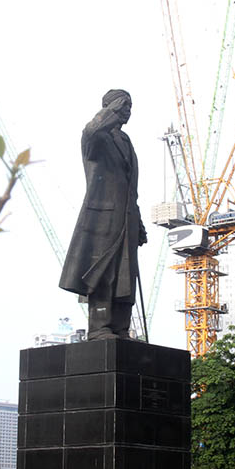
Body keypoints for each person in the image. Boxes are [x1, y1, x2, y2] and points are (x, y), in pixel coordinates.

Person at [58, 89, 148, 339]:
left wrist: (138, 222)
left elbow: (131, 187)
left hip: (126, 217)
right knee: (103, 270)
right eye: (123, 105)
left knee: (125, 275)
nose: (128, 109)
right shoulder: (97, 138)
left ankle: (120, 327)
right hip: (103, 217)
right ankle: (99, 328)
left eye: (130, 105)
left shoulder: (126, 141)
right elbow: (92, 131)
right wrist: (110, 110)